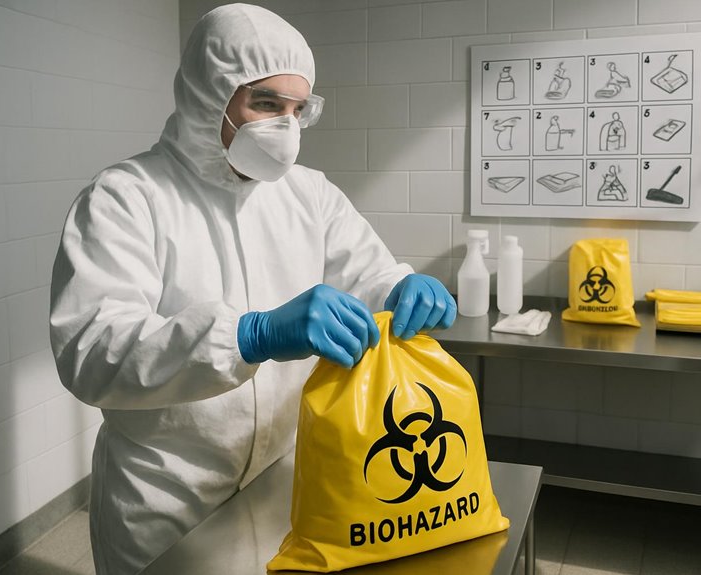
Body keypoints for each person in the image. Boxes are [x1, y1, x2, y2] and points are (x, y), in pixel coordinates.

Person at [48, 5, 456, 574]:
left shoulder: (308, 194)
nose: (284, 126)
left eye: (297, 109)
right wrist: (248, 336)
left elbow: (368, 273)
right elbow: (92, 353)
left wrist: (402, 287)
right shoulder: (127, 198)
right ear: (207, 94)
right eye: (265, 103)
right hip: (167, 500)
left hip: (285, 481)